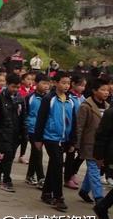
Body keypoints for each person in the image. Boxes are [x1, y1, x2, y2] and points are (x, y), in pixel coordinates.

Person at [34, 71, 77, 211]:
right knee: (58, 165)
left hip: (64, 138)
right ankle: (58, 198)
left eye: (68, 83)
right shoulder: (49, 99)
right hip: (50, 137)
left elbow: (74, 122)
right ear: (56, 83)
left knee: (54, 164)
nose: (66, 86)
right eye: (63, 82)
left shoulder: (71, 100)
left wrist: (72, 141)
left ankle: (46, 193)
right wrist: (38, 138)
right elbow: (41, 119)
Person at [0, 73, 27, 193]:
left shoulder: (20, 99)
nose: (15, 89)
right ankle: (7, 180)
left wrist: (24, 132)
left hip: (16, 132)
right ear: (7, 85)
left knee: (9, 156)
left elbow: (23, 117)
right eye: (13, 87)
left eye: (17, 87)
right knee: (9, 154)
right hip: (4, 132)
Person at [77, 79, 110, 204]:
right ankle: (99, 197)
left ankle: (84, 190)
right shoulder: (86, 106)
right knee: (94, 169)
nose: (106, 92)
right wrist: (77, 144)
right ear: (94, 91)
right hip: (89, 143)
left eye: (107, 90)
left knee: (95, 168)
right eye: (103, 90)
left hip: (102, 145)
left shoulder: (108, 107)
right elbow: (80, 127)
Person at [24, 74, 50, 188]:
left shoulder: (49, 98)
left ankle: (29, 175)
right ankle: (41, 178)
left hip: (44, 129)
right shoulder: (30, 98)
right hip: (32, 129)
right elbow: (25, 114)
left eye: (48, 83)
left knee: (35, 153)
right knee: (38, 152)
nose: (46, 86)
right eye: (43, 83)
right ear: (36, 83)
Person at [64, 75, 87, 190]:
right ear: (73, 84)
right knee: (70, 154)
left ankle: (72, 172)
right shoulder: (69, 97)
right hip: (71, 129)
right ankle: (67, 178)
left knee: (81, 154)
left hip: (81, 130)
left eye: (84, 86)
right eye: (80, 85)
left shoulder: (82, 98)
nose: (82, 88)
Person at [93, 104, 113, 219]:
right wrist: (99, 156)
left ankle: (102, 207)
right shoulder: (110, 113)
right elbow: (101, 136)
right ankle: (102, 207)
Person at [16, 72, 36, 165]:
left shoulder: (34, 91)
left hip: (30, 118)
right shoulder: (19, 91)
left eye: (32, 79)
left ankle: (22, 155)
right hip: (19, 117)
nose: (30, 81)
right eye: (28, 79)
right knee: (18, 138)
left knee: (25, 138)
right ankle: (9, 153)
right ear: (23, 80)